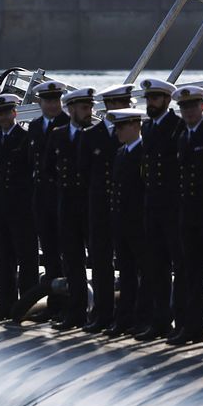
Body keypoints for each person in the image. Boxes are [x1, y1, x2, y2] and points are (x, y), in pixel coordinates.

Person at [82, 84, 133, 332]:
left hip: (125, 208)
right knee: (101, 263)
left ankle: (128, 316)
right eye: (115, 104)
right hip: (100, 208)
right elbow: (83, 175)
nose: (120, 109)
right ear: (108, 107)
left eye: (124, 103)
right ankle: (103, 313)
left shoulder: (134, 138)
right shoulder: (91, 136)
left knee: (129, 263)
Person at [171, 85, 203, 345]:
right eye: (184, 107)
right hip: (187, 216)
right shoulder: (184, 137)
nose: (188, 111)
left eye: (192, 106)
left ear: (202, 107)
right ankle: (189, 326)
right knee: (189, 274)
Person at [137, 78, 181, 340]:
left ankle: (181, 320)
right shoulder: (148, 127)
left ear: (166, 99)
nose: (151, 103)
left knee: (181, 267)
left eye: (155, 98)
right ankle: (160, 320)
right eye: (149, 99)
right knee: (156, 267)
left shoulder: (176, 127)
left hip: (173, 207)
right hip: (152, 206)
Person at [0, 92, 37, 322]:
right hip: (1, 208)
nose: (3, 117)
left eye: (7, 112)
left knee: (26, 258)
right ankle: (4, 305)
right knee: (3, 259)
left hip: (22, 209)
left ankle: (27, 305)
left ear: (14, 113)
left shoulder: (25, 139)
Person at [51, 87, 96, 329]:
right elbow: (49, 170)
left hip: (90, 207)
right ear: (71, 109)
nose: (88, 112)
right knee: (72, 261)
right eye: (84, 108)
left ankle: (100, 312)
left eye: (90, 107)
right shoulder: (58, 135)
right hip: (67, 207)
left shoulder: (97, 134)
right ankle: (76, 312)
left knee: (99, 261)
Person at [106, 108, 149, 337]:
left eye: (121, 127)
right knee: (127, 274)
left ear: (135, 126)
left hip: (138, 225)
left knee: (144, 274)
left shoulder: (144, 153)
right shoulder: (121, 153)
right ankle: (124, 318)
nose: (117, 131)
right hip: (122, 225)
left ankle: (141, 319)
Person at [29, 80, 68, 302]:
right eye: (48, 101)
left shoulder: (67, 124)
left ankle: (68, 303)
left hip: (62, 198)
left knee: (67, 253)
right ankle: (54, 303)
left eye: (55, 100)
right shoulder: (34, 127)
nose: (52, 105)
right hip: (41, 199)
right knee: (50, 252)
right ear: (40, 102)